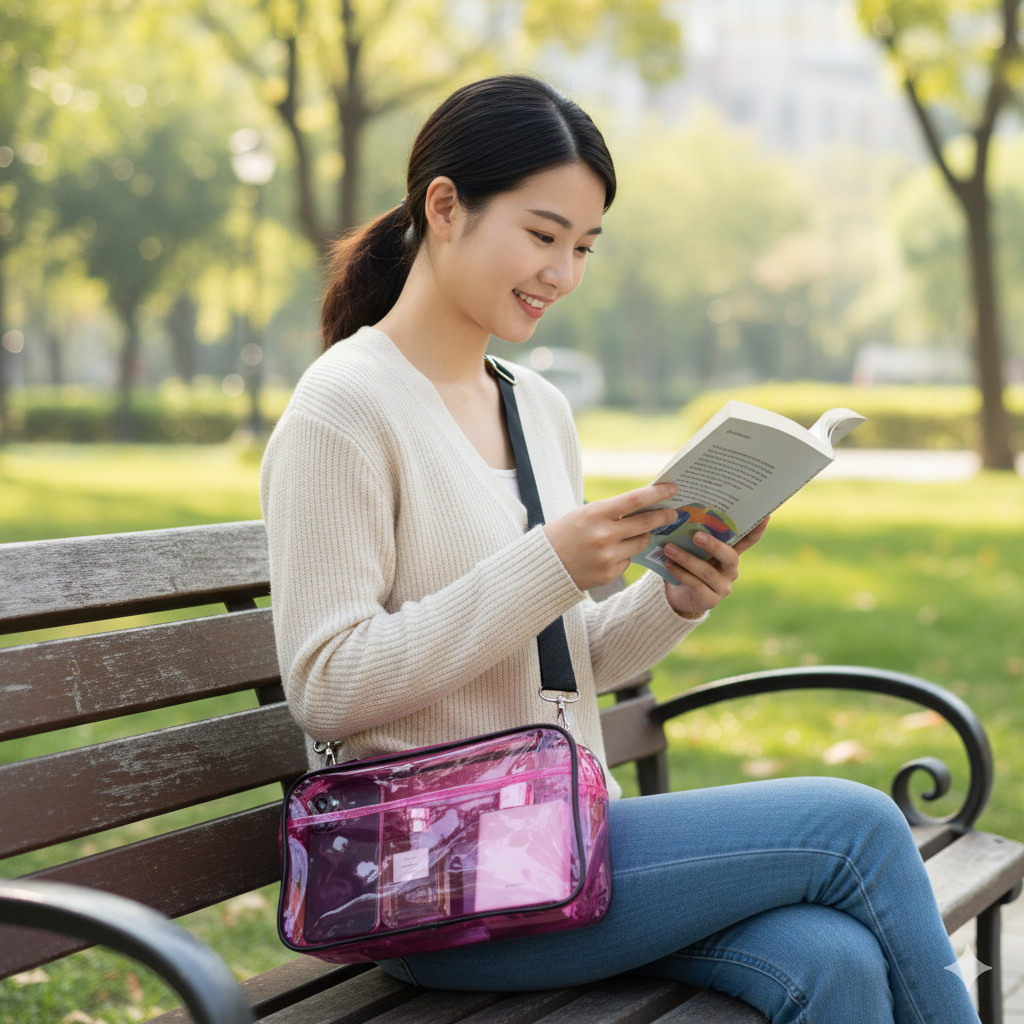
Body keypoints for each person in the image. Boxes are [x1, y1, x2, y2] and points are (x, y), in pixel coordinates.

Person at [260, 75, 979, 1024]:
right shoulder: (344, 409)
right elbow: (328, 684)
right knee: (857, 825)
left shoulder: (536, 407)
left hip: (558, 839)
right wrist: (547, 562)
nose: (563, 273)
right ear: (445, 207)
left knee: (832, 958)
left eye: (585, 247)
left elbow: (568, 662)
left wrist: (675, 596)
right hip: (429, 874)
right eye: (543, 234)